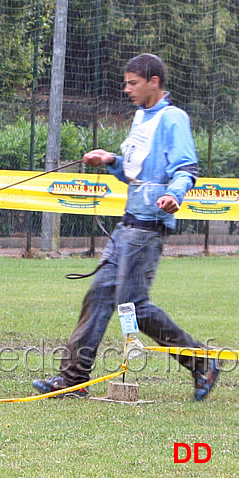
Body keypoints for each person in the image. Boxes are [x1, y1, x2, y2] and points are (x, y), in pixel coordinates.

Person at [32, 53, 219, 401]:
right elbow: (136, 172)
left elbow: (186, 168)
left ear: (154, 82)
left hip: (148, 228)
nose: (127, 89)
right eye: (126, 82)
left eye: (133, 83)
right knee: (99, 296)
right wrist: (110, 161)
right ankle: (73, 379)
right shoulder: (141, 118)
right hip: (127, 227)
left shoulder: (173, 118)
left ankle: (201, 362)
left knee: (133, 305)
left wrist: (175, 195)